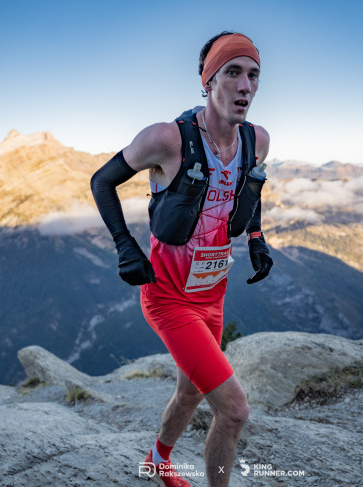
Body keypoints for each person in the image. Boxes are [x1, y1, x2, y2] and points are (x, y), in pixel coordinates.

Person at [90, 31, 272, 487]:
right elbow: (101, 181)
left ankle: (158, 459)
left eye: (253, 75)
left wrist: (256, 238)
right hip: (168, 298)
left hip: (213, 293)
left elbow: (250, 188)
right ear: (208, 82)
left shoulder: (257, 140)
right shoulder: (167, 139)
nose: (245, 86)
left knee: (190, 392)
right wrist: (125, 246)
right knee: (234, 411)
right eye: (233, 73)